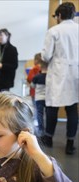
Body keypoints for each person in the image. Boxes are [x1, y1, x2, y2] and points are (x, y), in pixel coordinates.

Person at [41, 2, 78, 155]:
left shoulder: (54, 31)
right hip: (76, 73)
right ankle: (70, 143)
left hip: (58, 72)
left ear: (60, 15)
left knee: (52, 107)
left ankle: (48, 138)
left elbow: (46, 55)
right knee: (72, 109)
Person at [31, 54, 47, 137]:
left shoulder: (37, 77)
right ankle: (47, 131)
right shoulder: (50, 77)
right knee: (47, 114)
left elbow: (32, 86)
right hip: (48, 99)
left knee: (39, 114)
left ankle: (41, 129)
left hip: (38, 99)